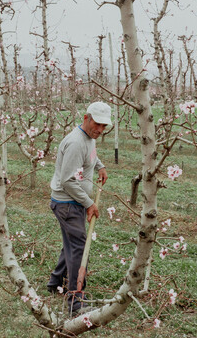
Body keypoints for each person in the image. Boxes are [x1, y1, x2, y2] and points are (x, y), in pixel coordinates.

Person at [47, 101, 111, 316]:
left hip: (72, 202)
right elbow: (67, 181)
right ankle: (75, 300)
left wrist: (99, 166)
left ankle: (55, 281)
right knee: (78, 247)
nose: (100, 130)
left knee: (72, 242)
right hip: (68, 204)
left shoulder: (88, 138)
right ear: (86, 118)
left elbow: (89, 155)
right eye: (97, 124)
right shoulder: (76, 142)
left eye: (104, 126)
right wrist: (89, 203)